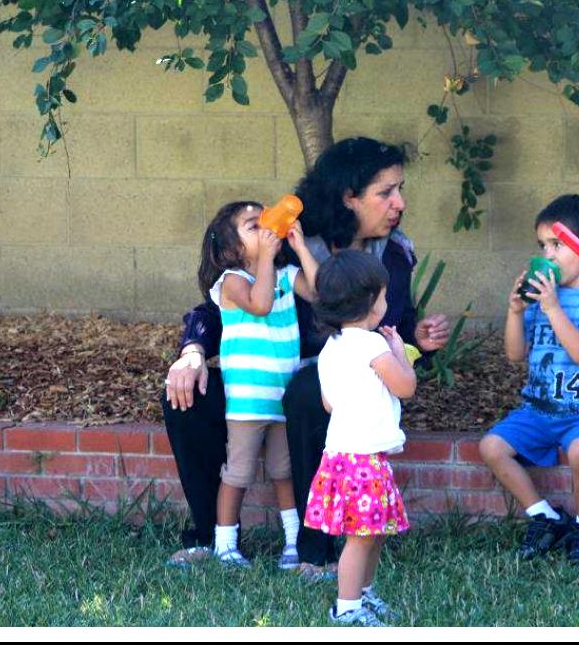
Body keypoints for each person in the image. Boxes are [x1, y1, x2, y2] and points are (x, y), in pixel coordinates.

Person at [161, 137, 449, 571]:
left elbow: (395, 333)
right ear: (348, 198)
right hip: (264, 378)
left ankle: (314, 549)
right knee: (187, 395)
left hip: (331, 384)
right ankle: (209, 535)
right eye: (386, 192)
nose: (399, 203)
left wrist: (419, 342)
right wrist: (194, 350)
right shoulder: (291, 240)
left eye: (399, 190)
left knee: (306, 391)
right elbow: (222, 302)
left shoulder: (393, 255)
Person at [479, 194, 579, 566]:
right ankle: (544, 515)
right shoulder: (543, 298)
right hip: (540, 409)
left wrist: (553, 307)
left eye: (557, 244)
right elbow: (514, 354)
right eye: (543, 245)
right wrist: (514, 312)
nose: (548, 254)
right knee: (492, 447)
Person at [196, 201, 318, 568]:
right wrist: (267, 256)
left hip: (284, 399)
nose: (266, 227)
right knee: (238, 472)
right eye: (253, 225)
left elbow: (321, 293)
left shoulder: (285, 275)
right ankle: (225, 543)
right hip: (248, 401)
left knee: (284, 471)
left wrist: (300, 248)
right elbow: (261, 305)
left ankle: (293, 541)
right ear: (231, 248)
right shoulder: (231, 283)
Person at [305, 250, 414, 626]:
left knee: (373, 532)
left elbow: (329, 403)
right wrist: (401, 354)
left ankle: (364, 595)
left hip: (342, 456)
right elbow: (404, 387)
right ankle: (348, 608)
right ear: (371, 300)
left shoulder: (330, 349)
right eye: (384, 295)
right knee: (362, 537)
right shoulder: (373, 346)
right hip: (363, 459)